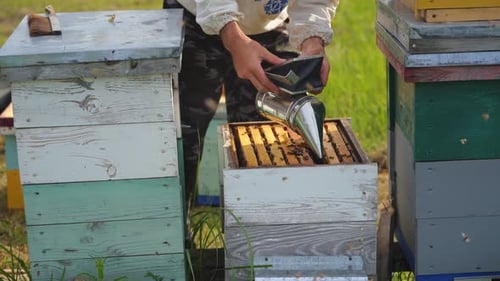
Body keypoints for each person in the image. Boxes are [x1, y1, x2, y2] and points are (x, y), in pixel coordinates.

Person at [162, 0, 339, 208]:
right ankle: (174, 233)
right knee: (184, 136)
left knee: (268, 138)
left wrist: (312, 38)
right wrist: (233, 38)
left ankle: (258, 230)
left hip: (270, 26)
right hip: (197, 19)